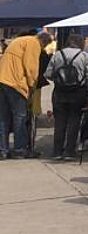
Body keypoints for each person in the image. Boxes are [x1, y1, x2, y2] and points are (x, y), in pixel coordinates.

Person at [0, 30, 54, 159]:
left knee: (3, 118)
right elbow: (31, 67)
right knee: (20, 117)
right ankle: (19, 149)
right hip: (16, 83)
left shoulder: (19, 41)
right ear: (43, 42)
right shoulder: (33, 43)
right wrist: (32, 86)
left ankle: (3, 149)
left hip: (2, 80)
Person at [44, 33, 88, 160]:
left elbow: (48, 74)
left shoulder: (57, 55)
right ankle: (69, 151)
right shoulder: (85, 56)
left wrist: (60, 79)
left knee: (60, 122)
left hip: (59, 92)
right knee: (74, 121)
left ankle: (57, 151)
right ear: (81, 43)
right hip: (78, 93)